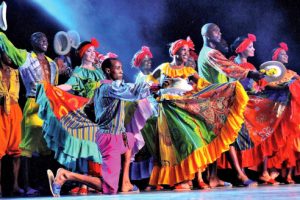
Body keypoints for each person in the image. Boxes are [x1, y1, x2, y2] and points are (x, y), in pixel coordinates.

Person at [147, 37, 248, 190]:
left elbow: (204, 85)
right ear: (175, 52)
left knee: (192, 140)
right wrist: (155, 87)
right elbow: (149, 80)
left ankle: (194, 178)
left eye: (188, 51)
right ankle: (180, 181)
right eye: (183, 51)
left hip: (183, 108)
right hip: (167, 110)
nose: (186, 54)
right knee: (173, 146)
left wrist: (226, 88)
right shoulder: (164, 67)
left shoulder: (188, 71)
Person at [44, 57, 151, 196]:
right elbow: (132, 92)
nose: (121, 71)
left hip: (118, 136)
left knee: (130, 139)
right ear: (108, 70)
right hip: (110, 139)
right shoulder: (109, 88)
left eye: (121, 68)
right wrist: (152, 85)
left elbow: (126, 89)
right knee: (109, 189)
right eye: (118, 68)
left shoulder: (105, 87)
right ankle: (65, 175)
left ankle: (125, 182)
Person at [0, 31, 58, 196]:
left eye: (45, 38)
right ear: (32, 42)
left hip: (50, 107)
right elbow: (9, 47)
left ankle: (46, 185)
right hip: (33, 102)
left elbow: (55, 87)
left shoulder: (52, 63)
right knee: (26, 148)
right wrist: (1, 33)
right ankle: (24, 187)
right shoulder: (25, 57)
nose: (43, 40)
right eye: (38, 38)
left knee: (48, 147)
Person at [0, 50, 24, 197]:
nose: (10, 57)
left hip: (15, 111)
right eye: (7, 54)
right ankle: (0, 187)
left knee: (17, 151)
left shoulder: (16, 72)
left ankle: (15, 185)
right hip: (0, 111)